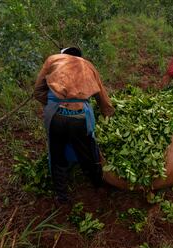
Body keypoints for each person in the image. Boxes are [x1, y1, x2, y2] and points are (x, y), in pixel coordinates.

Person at [34, 47, 115, 204]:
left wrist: (52, 103)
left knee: (57, 153)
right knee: (87, 152)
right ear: (79, 57)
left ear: (63, 54)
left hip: (56, 116)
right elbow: (102, 95)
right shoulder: (88, 65)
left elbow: (38, 91)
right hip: (79, 116)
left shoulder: (53, 59)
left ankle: (61, 195)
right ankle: (98, 185)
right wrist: (108, 113)